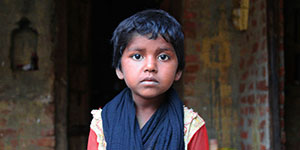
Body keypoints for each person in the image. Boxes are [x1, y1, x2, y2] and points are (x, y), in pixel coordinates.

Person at [87, 9, 209, 150]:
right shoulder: (103, 123)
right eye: (137, 56)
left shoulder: (190, 126)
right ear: (119, 69)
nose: (150, 66)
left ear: (178, 71)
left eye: (163, 57)